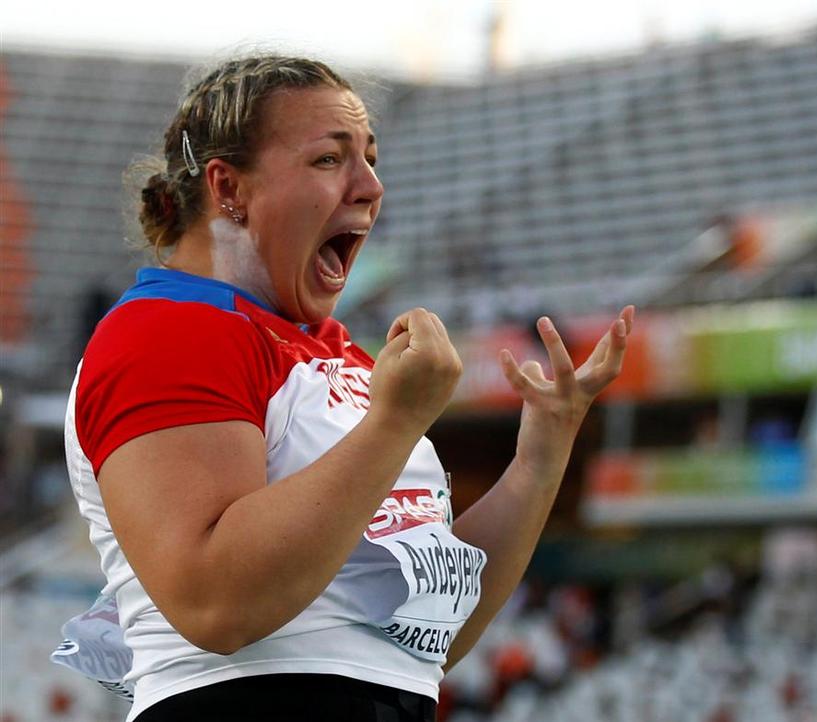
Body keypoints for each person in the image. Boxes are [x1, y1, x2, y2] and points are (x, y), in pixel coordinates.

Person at [62, 55, 634, 722]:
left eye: (370, 158)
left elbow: (422, 641)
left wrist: (538, 459)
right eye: (330, 159)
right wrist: (393, 425)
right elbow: (216, 604)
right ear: (228, 187)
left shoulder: (339, 355)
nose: (370, 186)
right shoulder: (167, 331)